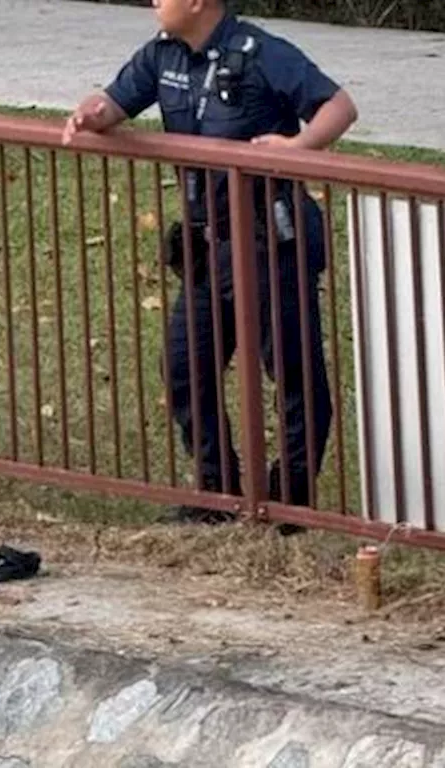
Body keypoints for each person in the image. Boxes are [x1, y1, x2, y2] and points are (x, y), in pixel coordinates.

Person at [62, 0, 357, 524]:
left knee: (293, 376)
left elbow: (338, 105)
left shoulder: (262, 52)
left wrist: (299, 146)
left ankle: (288, 505)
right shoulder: (162, 56)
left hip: (271, 241)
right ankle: (217, 494)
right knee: (184, 365)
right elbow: (113, 102)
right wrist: (90, 115)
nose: (154, 1)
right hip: (209, 247)